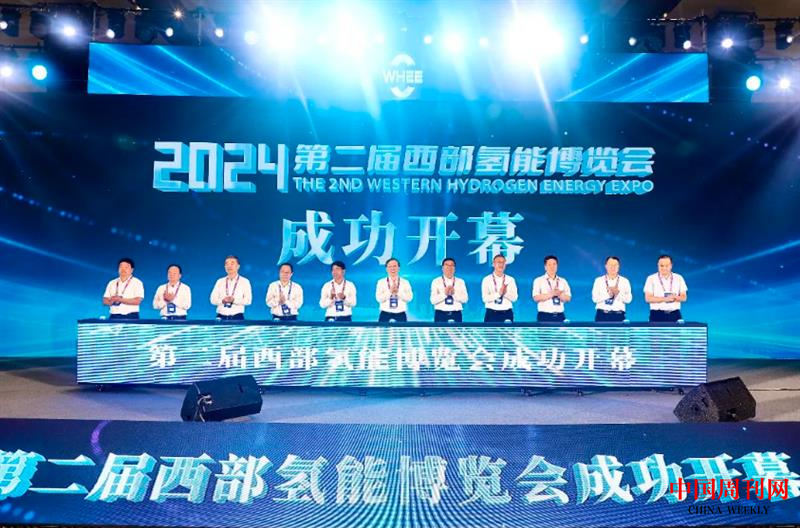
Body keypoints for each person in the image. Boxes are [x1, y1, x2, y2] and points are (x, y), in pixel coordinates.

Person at [644, 254, 688, 322]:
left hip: (675, 314)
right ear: (658, 265)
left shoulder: (679, 278)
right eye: (661, 266)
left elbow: (684, 297)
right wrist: (665, 299)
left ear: (671, 265)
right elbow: (648, 298)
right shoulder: (651, 279)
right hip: (656, 315)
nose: (664, 268)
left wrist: (675, 297)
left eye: (667, 265)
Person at [210, 255, 252, 320]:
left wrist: (234, 300)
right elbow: (212, 300)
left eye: (232, 263)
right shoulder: (219, 281)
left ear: (238, 266)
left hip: (237, 317)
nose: (229, 266)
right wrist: (222, 301)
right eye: (227, 264)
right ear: (224, 267)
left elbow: (248, 300)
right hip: (220, 317)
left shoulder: (245, 281)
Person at [591, 256, 632, 322]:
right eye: (610, 265)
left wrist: (618, 294)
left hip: (619, 316)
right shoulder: (598, 280)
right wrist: (608, 295)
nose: (613, 267)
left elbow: (629, 299)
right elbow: (594, 299)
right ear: (606, 266)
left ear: (618, 267)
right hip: (602, 315)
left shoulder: (625, 281)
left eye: (615, 265)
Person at [532, 255, 572, 322]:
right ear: (545, 267)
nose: (552, 267)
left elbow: (568, 298)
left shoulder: (563, 281)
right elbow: (536, 298)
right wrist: (551, 294)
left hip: (560, 316)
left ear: (557, 266)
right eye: (549, 264)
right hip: (544, 316)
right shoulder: (538, 280)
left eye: (554, 264)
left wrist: (559, 294)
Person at [481, 254, 518, 322]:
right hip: (491, 313)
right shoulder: (486, 279)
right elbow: (485, 298)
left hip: (507, 313)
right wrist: (499, 294)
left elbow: (515, 298)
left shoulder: (510, 279)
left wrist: (505, 293)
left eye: (503, 262)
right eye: (499, 262)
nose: (501, 264)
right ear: (493, 264)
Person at [430, 257, 468, 322]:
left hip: (456, 314)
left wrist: (454, 294)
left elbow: (465, 299)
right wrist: (444, 294)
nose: (449, 268)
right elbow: (432, 300)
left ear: (454, 268)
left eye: (452, 265)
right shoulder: (436, 281)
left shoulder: (461, 282)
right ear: (442, 268)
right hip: (440, 314)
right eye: (447, 265)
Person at [375, 258, 413, 322]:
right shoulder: (381, 282)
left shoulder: (405, 282)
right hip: (385, 313)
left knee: (402, 329)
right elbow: (379, 299)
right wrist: (390, 292)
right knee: (382, 328)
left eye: (395, 266)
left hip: (401, 313)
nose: (392, 268)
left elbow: (409, 298)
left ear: (399, 268)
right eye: (390, 266)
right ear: (386, 269)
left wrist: (398, 292)